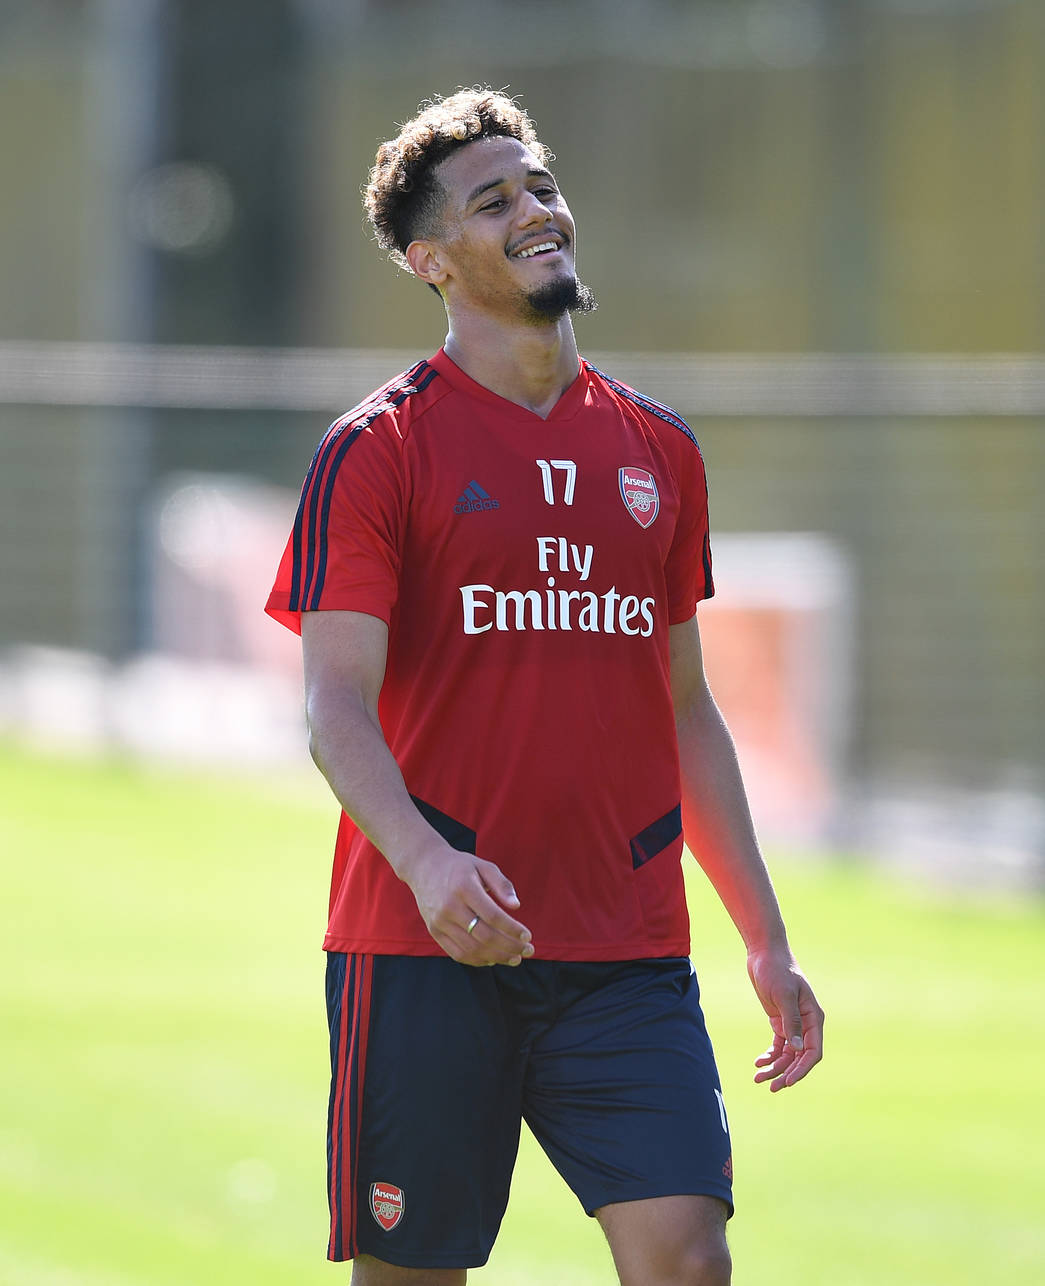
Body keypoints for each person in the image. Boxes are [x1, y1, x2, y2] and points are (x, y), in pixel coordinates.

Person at [266, 88, 824, 1286]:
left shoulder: (658, 449)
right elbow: (333, 707)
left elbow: (685, 706)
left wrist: (766, 939)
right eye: (494, 200)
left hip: (624, 947)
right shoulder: (377, 450)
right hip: (424, 949)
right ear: (431, 261)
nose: (537, 210)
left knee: (687, 1258)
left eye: (541, 186)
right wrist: (427, 863)